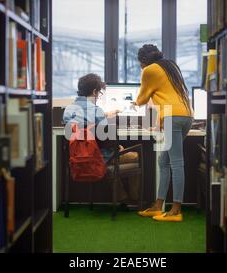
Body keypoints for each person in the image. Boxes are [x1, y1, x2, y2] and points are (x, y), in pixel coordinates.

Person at [133, 44, 194, 222]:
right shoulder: (170, 66)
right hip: (186, 116)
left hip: (171, 117)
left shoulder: (149, 70)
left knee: (176, 163)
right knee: (164, 160)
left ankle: (176, 210)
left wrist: (142, 72)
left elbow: (142, 99)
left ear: (142, 60)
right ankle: (158, 206)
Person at [63, 73, 140, 208]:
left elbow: (81, 125)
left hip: (77, 158)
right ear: (94, 91)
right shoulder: (96, 110)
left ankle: (123, 197)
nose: (98, 96)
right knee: (135, 156)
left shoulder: (68, 110)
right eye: (99, 93)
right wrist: (118, 148)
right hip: (98, 158)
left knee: (111, 154)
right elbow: (106, 137)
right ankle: (132, 199)